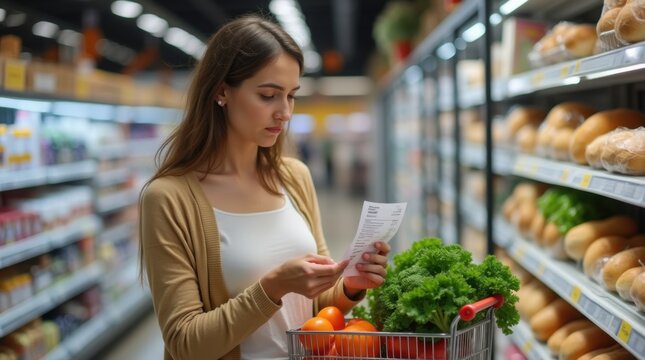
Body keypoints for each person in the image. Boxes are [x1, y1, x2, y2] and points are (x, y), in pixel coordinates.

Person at [139, 15, 390, 360]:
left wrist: (348, 286)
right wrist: (273, 287)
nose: (285, 112)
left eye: (291, 96)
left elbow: (315, 304)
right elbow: (184, 343)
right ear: (221, 91)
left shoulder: (294, 178)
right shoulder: (169, 198)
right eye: (269, 95)